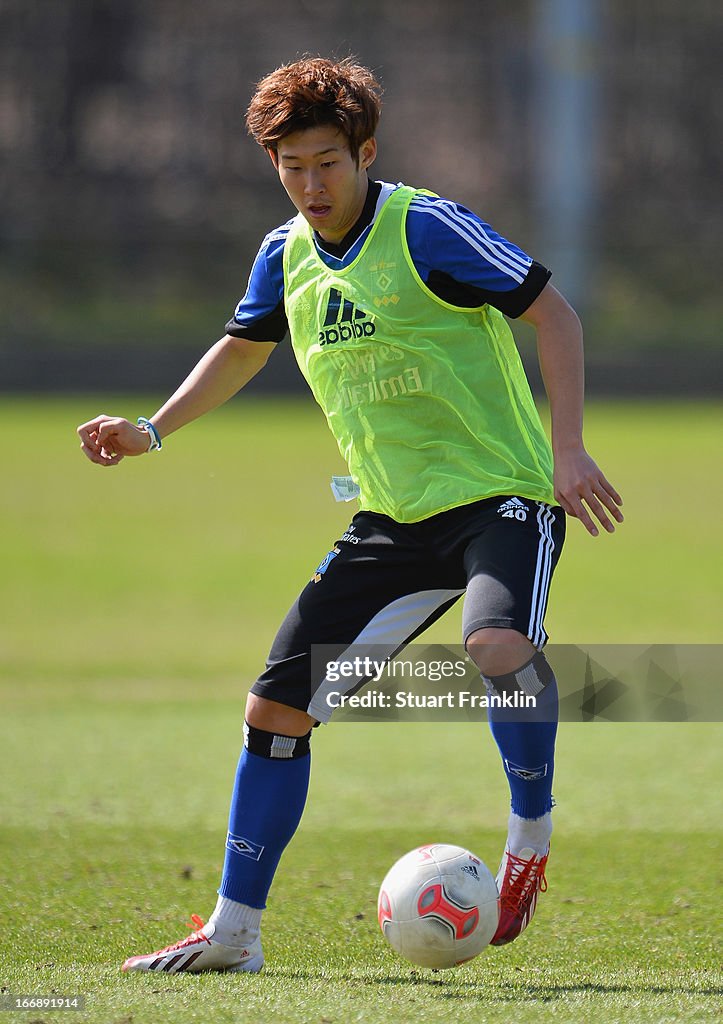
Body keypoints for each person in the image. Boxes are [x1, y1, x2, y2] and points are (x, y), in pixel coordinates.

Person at [77, 56, 623, 974]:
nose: (310, 184)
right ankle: (233, 935)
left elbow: (554, 314)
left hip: (504, 496)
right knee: (274, 711)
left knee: (495, 645)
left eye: (327, 162)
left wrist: (566, 452)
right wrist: (151, 430)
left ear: (365, 152)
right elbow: (243, 348)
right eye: (290, 166)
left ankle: (527, 838)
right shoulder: (282, 253)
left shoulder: (425, 226)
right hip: (391, 520)